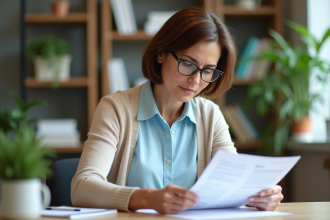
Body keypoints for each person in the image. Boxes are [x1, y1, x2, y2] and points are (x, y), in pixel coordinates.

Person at [71, 7, 283, 214]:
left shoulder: (210, 115)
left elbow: (234, 183)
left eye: (208, 70)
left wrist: (258, 196)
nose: (196, 80)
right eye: (188, 64)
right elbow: (82, 187)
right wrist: (147, 199)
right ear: (161, 53)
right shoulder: (116, 109)